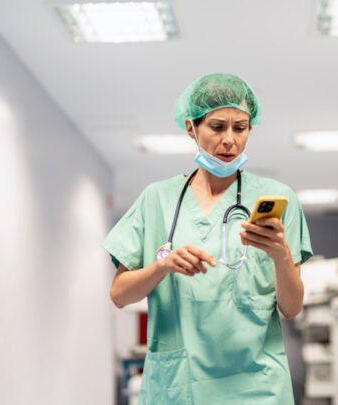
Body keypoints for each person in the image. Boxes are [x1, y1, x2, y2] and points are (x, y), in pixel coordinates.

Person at [102, 73, 312, 404]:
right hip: (180, 386)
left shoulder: (276, 198)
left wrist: (281, 255)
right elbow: (119, 295)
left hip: (256, 387)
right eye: (216, 127)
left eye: (240, 128)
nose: (229, 139)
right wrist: (163, 266)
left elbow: (291, 308)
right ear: (191, 128)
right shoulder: (157, 199)